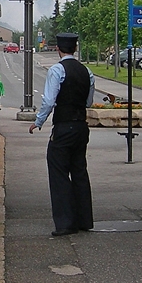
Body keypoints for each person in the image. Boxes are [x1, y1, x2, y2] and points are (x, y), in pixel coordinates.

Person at [29, 32, 94, 236]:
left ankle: (66, 223)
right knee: (79, 171)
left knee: (58, 172)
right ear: (74, 49)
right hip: (81, 127)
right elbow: (88, 102)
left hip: (64, 126)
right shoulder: (87, 72)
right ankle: (84, 220)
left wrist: (38, 122)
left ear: (58, 49)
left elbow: (49, 100)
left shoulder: (57, 70)